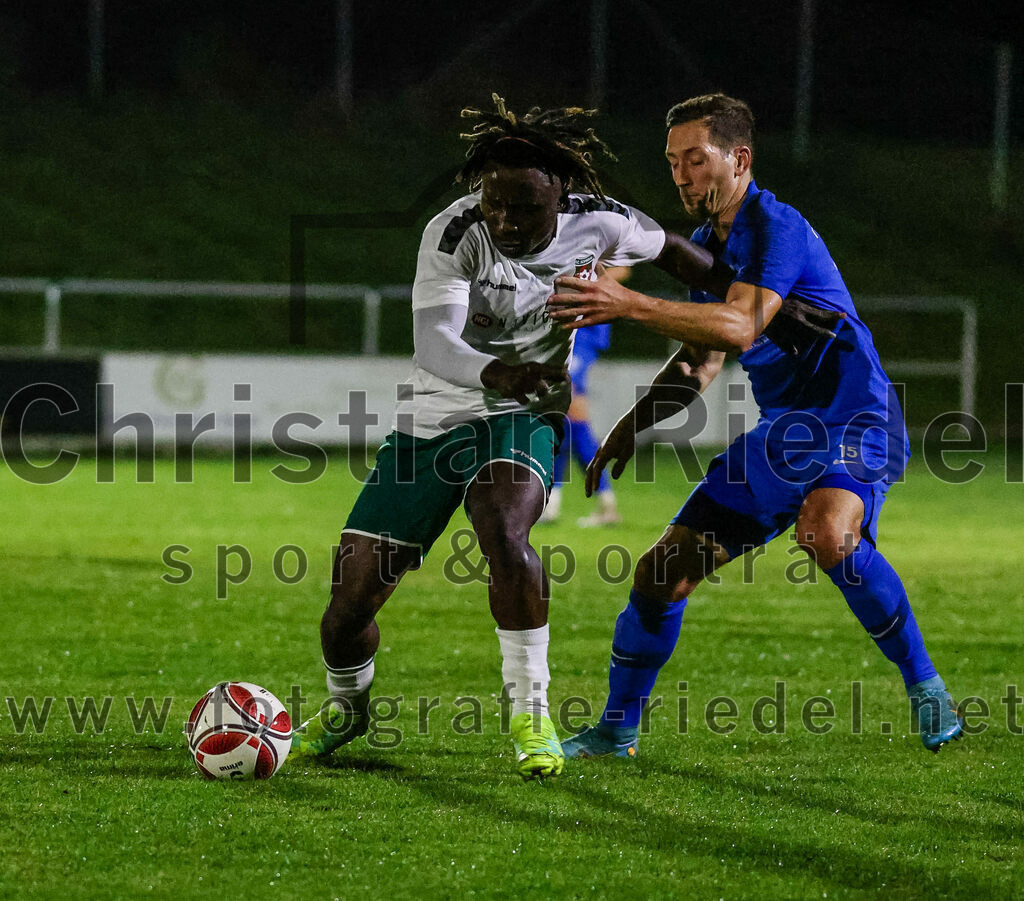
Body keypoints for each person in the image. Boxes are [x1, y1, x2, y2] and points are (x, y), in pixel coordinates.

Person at [290, 94, 804, 780]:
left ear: (561, 195)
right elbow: (434, 342)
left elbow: (676, 251)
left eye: (524, 207)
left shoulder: (602, 221)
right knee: (347, 606)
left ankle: (531, 711)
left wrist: (751, 294)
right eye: (495, 202)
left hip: (525, 413)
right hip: (435, 418)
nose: (505, 219)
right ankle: (348, 706)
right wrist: (499, 370)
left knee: (506, 529)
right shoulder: (453, 231)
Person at [547, 93, 964, 759]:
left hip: (856, 417)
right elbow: (702, 360)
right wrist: (630, 426)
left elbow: (741, 324)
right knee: (660, 574)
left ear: (739, 159)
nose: (681, 174)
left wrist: (627, 302)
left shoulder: (777, 227)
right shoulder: (712, 248)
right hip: (786, 434)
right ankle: (615, 731)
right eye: (673, 162)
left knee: (827, 532)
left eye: (695, 158)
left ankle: (926, 686)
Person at [539, 320, 622, 527]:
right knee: (564, 433)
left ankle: (606, 506)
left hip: (577, 338)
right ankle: (551, 506)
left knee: (574, 425)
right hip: (574, 338)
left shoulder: (582, 333)